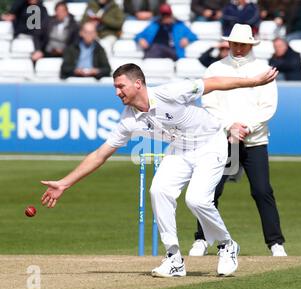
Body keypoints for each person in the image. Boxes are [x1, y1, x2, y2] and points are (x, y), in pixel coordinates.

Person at [41, 63, 278, 277]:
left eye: (120, 86)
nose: (117, 92)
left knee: (196, 200)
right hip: (180, 149)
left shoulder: (170, 92)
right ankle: (174, 258)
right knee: (158, 191)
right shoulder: (128, 121)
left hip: (211, 143)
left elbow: (213, 83)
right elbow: (100, 154)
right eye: (115, 87)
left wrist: (253, 82)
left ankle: (226, 245)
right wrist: (65, 183)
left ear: (138, 83)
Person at [189, 23, 287, 258]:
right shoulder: (214, 69)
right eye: (235, 43)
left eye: (243, 44)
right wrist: (229, 127)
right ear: (229, 43)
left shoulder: (263, 69)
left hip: (254, 140)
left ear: (250, 44)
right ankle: (202, 239)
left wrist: (246, 127)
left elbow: (268, 107)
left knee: (262, 190)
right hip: (222, 140)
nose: (238, 48)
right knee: (211, 191)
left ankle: (275, 244)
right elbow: (209, 105)